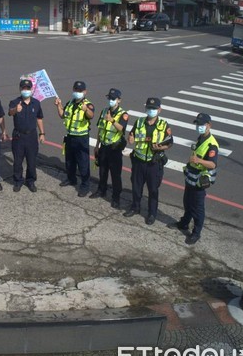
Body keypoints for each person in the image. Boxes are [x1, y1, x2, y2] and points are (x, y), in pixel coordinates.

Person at [170, 113, 219, 245]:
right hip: (191, 179)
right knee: (187, 202)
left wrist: (198, 160)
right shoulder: (201, 138)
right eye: (197, 124)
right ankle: (184, 223)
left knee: (198, 208)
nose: (199, 127)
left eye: (201, 125)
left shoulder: (212, 144)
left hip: (199, 182)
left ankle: (196, 233)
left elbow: (212, 164)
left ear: (209, 125)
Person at [124, 97, 173, 225]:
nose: (151, 110)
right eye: (149, 108)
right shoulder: (139, 122)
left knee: (153, 190)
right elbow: (131, 136)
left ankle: (152, 213)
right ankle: (135, 207)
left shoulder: (164, 125)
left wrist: (161, 147)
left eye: (154, 108)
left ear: (159, 110)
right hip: (139, 161)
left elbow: (170, 143)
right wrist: (130, 139)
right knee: (136, 187)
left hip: (154, 163)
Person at [55, 81, 95, 197]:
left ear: (85, 92)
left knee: (83, 163)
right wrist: (59, 105)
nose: (77, 92)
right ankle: (71, 179)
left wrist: (85, 110)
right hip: (70, 136)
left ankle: (85, 186)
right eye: (76, 90)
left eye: (80, 91)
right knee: (70, 161)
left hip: (81, 138)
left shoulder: (88, 104)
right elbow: (63, 115)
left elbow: (91, 115)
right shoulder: (70, 103)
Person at [90, 88, 129, 208]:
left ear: (119, 100)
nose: (111, 101)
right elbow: (100, 129)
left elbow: (121, 129)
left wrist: (112, 120)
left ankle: (116, 197)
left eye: (113, 99)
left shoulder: (123, 114)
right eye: (110, 98)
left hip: (115, 149)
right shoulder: (104, 111)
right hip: (104, 147)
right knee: (102, 171)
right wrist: (97, 145)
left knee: (115, 175)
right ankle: (101, 190)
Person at [8, 79, 45, 192]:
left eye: (28, 88)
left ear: (31, 89)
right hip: (19, 136)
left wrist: (42, 133)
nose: (26, 90)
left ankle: (30, 181)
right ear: (20, 89)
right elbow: (10, 113)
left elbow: (39, 118)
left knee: (31, 161)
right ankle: (18, 181)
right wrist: (16, 109)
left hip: (31, 136)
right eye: (23, 88)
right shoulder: (15, 102)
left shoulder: (36, 103)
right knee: (18, 161)